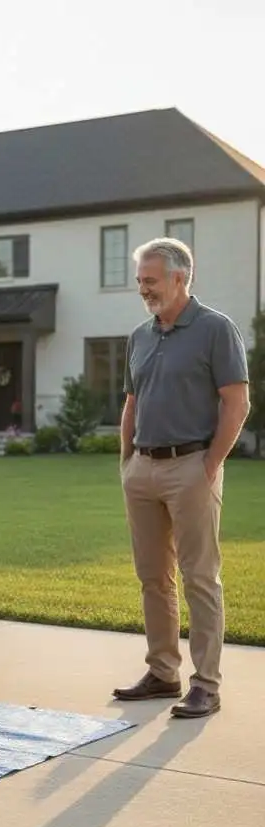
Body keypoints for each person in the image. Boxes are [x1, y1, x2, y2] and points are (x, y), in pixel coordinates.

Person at [112, 238, 250, 717]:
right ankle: (163, 672)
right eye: (140, 281)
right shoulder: (140, 336)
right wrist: (127, 461)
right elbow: (131, 404)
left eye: (150, 280)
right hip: (143, 469)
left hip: (191, 466)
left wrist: (210, 464)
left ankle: (206, 684)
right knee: (153, 578)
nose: (143, 289)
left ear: (179, 277)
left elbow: (237, 402)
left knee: (200, 579)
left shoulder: (215, 329)